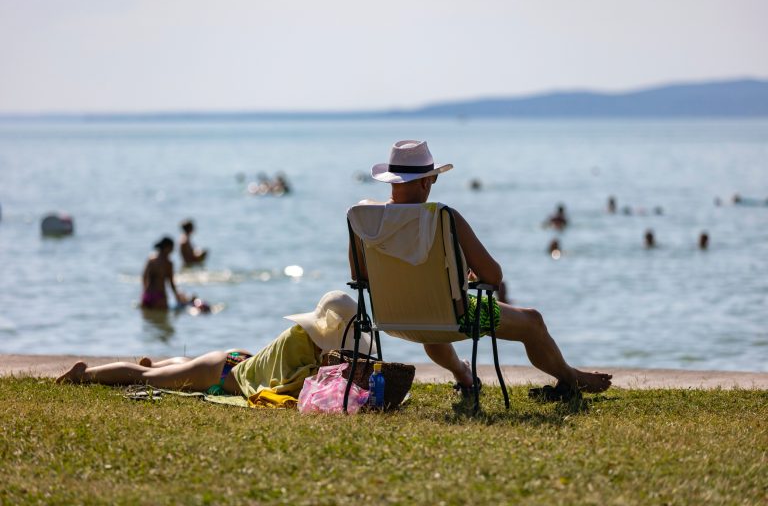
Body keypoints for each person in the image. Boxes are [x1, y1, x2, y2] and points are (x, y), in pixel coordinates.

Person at [351, 140, 611, 395]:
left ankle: (463, 375)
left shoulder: (366, 219)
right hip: (455, 318)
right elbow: (494, 277)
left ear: (391, 180)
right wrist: (463, 275)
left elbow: (360, 277)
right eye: (433, 179)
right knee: (533, 321)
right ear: (425, 181)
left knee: (432, 315)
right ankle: (571, 378)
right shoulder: (443, 217)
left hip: (392, 319)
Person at [57, 291, 372, 400]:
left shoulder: (301, 337)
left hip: (233, 361)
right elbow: (292, 387)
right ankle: (85, 374)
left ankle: (158, 364)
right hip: (221, 373)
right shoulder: (301, 347)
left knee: (182, 368)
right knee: (145, 380)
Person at [141, 237, 184, 309]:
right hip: (160, 296)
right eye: (172, 248)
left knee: (149, 319)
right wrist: (177, 296)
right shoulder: (168, 263)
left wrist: (145, 291)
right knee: (162, 319)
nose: (172, 251)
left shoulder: (151, 260)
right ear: (167, 248)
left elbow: (144, 277)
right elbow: (171, 283)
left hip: (147, 295)